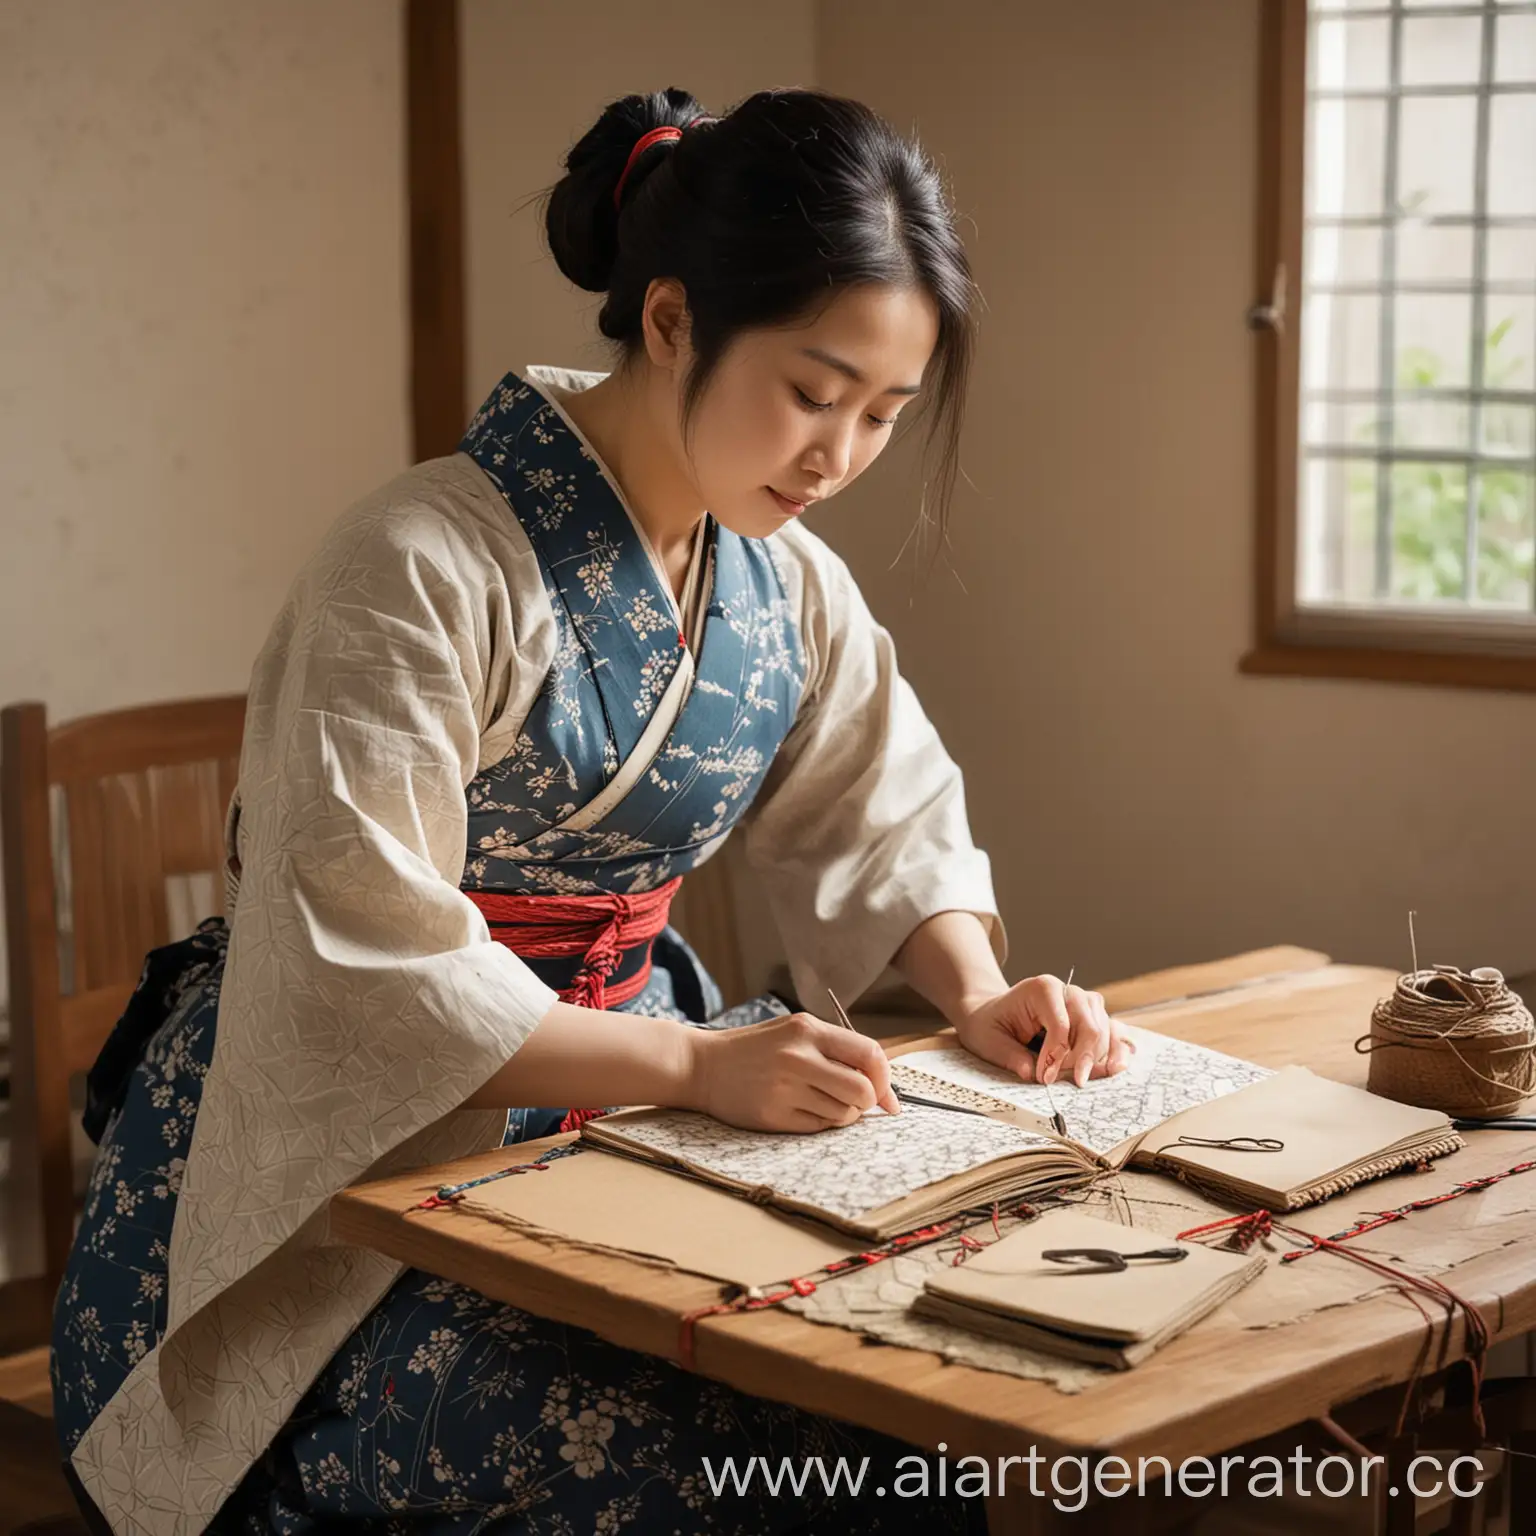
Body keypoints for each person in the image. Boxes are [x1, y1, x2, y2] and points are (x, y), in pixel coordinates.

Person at [51, 87, 1133, 1536]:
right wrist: (690, 1072)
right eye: (813, 393)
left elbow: (881, 801)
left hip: (637, 1091)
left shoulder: (784, 579)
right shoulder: (417, 562)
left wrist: (978, 989)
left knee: (910, 1392)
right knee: (743, 1465)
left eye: (883, 415)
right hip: (353, 1176)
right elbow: (362, 958)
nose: (837, 457)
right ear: (673, 319)